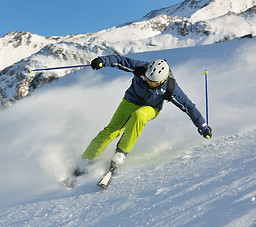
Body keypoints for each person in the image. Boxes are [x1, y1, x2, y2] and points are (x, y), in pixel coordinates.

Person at [76, 55, 212, 175]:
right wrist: (102, 61)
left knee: (139, 115)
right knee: (111, 130)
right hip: (131, 100)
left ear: (162, 80)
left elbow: (188, 107)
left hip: (151, 108)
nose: (150, 84)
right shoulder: (141, 68)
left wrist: (203, 126)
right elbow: (119, 60)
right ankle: (85, 160)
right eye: (148, 80)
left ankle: (121, 153)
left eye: (154, 83)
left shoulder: (171, 88)